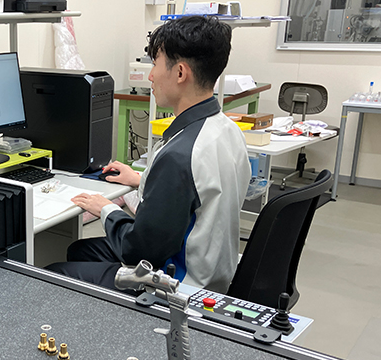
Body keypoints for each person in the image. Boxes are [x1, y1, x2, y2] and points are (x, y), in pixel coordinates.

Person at [46, 16, 251, 293]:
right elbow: (199, 193)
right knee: (82, 250)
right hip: (214, 269)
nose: (151, 76)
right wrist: (141, 179)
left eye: (155, 64)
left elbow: (138, 251)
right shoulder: (227, 130)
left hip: (177, 284)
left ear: (180, 73)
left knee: (53, 272)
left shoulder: (180, 155)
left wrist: (105, 208)